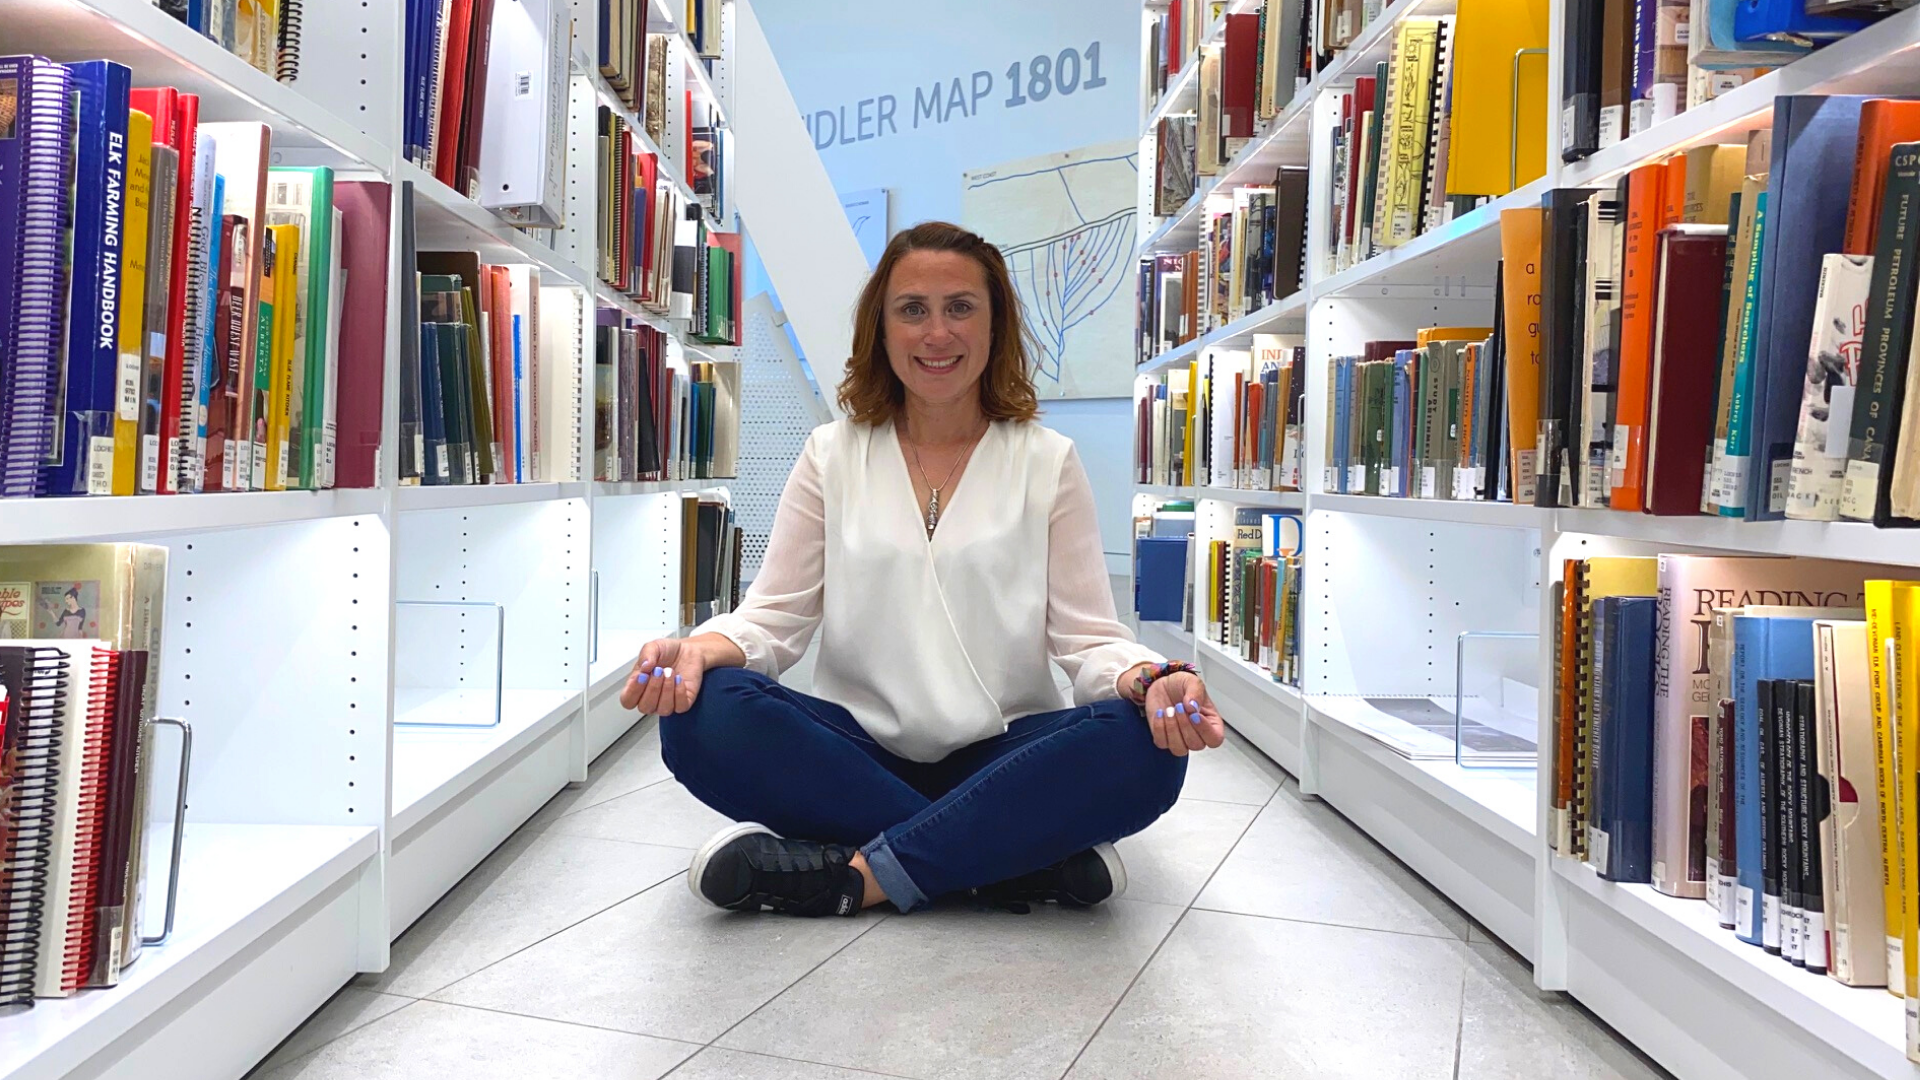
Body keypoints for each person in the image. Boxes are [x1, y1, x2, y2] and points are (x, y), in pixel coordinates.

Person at [620, 221, 1227, 919]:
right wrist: (699, 651)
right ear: (882, 329)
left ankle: (854, 877)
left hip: (1004, 754)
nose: (937, 333)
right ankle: (1008, 857)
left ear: (995, 326)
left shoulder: (1047, 460)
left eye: (960, 307)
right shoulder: (830, 454)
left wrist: (1151, 679)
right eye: (913, 310)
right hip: (857, 751)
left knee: (1146, 745)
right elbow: (774, 619)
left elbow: (1088, 639)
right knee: (701, 714)